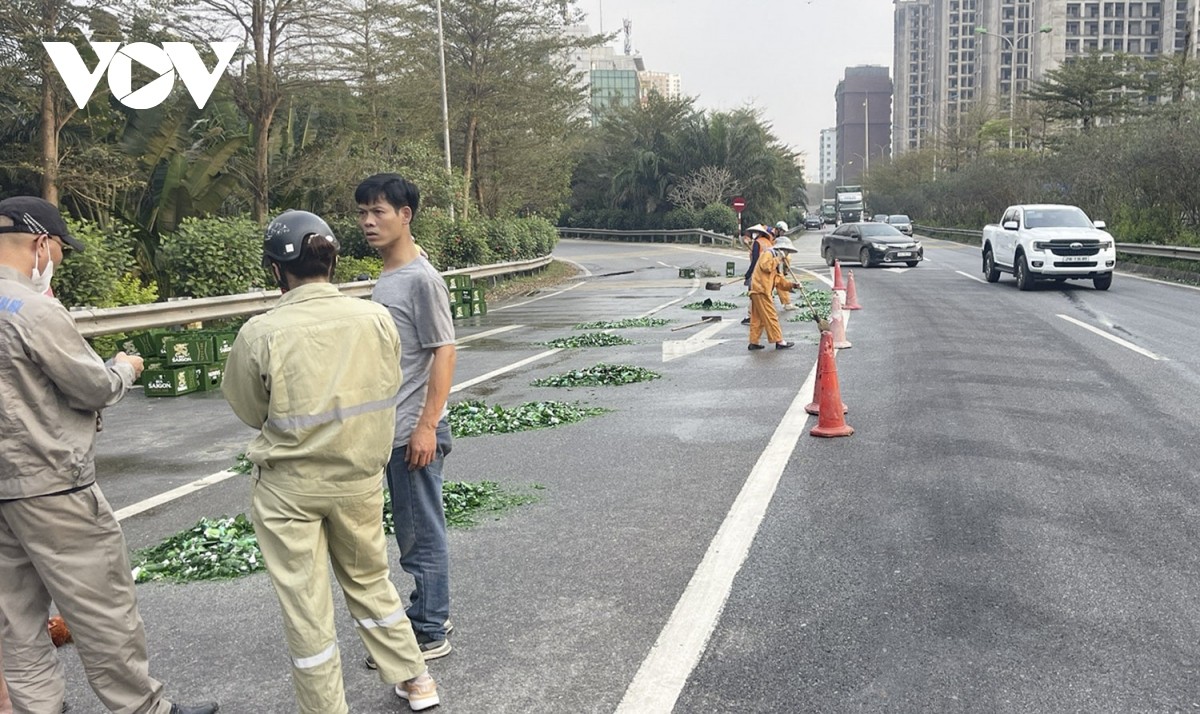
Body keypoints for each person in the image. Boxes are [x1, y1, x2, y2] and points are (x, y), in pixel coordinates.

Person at [0, 196, 218, 714]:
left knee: (16, 621)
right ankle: (143, 710)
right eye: (59, 250)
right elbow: (90, 386)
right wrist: (123, 368)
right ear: (40, 244)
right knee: (102, 613)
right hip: (54, 485)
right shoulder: (32, 308)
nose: (57, 259)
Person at [222, 210, 439, 713]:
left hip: (290, 489)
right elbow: (393, 384)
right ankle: (416, 678)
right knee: (370, 581)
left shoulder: (262, 332)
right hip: (359, 479)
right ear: (332, 262)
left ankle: (326, 707)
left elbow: (250, 409)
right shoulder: (375, 318)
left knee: (306, 603)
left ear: (276, 270)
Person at [355, 174, 457, 663]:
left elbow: (444, 351)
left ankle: (428, 630)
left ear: (405, 216)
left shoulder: (420, 278)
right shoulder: (390, 274)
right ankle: (431, 610)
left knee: (419, 533)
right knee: (411, 529)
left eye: (378, 212)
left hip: (413, 430)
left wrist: (426, 426)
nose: (368, 222)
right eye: (362, 212)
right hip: (393, 429)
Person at [748, 234, 801, 351]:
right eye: (786, 252)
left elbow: (779, 281)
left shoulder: (776, 263)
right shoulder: (769, 254)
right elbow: (765, 266)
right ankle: (779, 341)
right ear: (781, 249)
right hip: (761, 290)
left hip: (758, 290)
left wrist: (793, 285)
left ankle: (753, 342)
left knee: (757, 319)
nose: (787, 255)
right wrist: (778, 259)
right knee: (771, 316)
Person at [740, 224, 774, 326]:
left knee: (753, 294)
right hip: (768, 274)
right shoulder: (768, 243)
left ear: (758, 233)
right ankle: (763, 315)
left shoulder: (757, 243)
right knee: (766, 296)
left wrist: (748, 274)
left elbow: (755, 261)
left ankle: (751, 316)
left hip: (758, 273)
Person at [771, 221, 796, 312]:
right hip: (772, 263)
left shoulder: (778, 238)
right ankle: (787, 303)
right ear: (778, 229)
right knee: (778, 281)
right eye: (782, 231)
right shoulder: (770, 237)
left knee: (779, 281)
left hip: (777, 262)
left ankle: (787, 302)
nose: (783, 234)